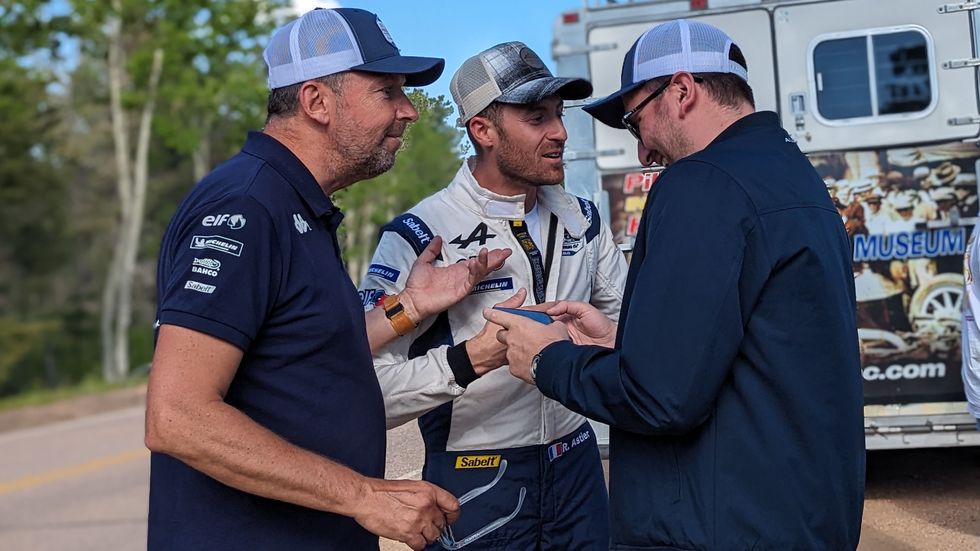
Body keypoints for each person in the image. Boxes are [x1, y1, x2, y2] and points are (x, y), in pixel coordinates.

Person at [484, 19, 865, 549]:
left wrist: (549, 360)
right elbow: (763, 345)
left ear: (682, 91)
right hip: (797, 513)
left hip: (720, 527)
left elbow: (659, 399)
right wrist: (626, 344)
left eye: (635, 121)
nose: (642, 153)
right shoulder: (795, 177)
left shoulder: (703, 183)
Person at [144, 8, 511, 551]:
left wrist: (410, 306)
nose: (408, 111)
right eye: (387, 92)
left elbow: (302, 355)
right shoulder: (248, 206)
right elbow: (177, 415)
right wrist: (365, 496)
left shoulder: (296, 206)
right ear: (316, 102)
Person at [358, 42, 628, 549]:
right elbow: (366, 395)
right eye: (535, 117)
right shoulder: (420, 234)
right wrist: (471, 360)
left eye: (559, 114)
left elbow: (632, 337)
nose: (560, 133)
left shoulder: (584, 218)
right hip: (478, 477)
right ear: (482, 129)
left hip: (577, 465)